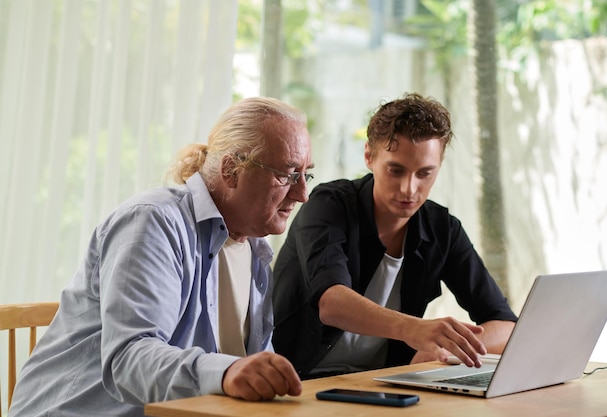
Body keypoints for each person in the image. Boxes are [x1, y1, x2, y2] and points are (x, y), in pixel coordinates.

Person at [9, 97, 314, 417]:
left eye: (307, 174)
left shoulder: (253, 248)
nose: (302, 194)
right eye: (288, 174)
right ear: (231, 170)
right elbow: (130, 360)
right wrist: (227, 372)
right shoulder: (151, 222)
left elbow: (248, 372)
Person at [272, 92, 518, 379]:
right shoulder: (328, 206)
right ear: (369, 156)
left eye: (425, 173)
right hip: (295, 381)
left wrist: (444, 349)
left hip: (384, 385)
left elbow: (505, 325)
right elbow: (331, 303)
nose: (409, 189)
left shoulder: (442, 229)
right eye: (396, 170)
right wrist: (415, 329)